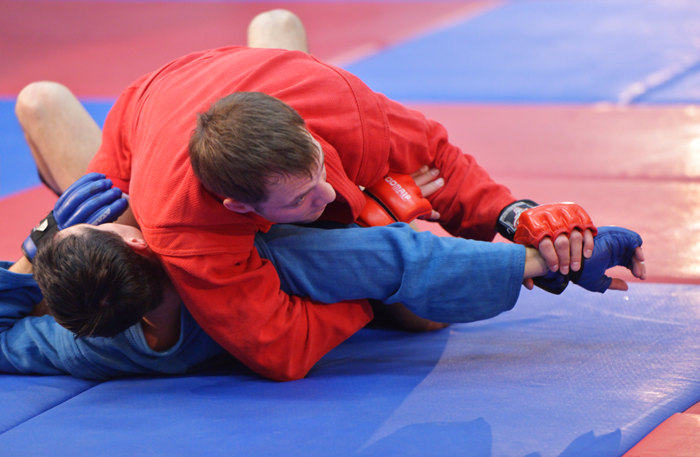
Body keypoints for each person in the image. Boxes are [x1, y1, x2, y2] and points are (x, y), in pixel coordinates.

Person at [14, 10, 631, 381]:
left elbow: (435, 153)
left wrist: (510, 213)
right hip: (154, 133)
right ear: (238, 210)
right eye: (301, 198)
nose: (328, 194)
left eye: (319, 173)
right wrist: (375, 223)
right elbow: (284, 349)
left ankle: (272, 59)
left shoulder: (335, 104)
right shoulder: (187, 237)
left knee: (280, 36)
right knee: (40, 101)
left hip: (241, 94)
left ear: (309, 132)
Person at [0, 175, 645, 380]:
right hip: (352, 260)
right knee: (402, 241)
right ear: (141, 241)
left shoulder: (90, 345)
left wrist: (34, 256)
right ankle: (360, 188)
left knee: (41, 104)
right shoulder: (245, 268)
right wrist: (551, 259)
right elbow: (400, 262)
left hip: (336, 285)